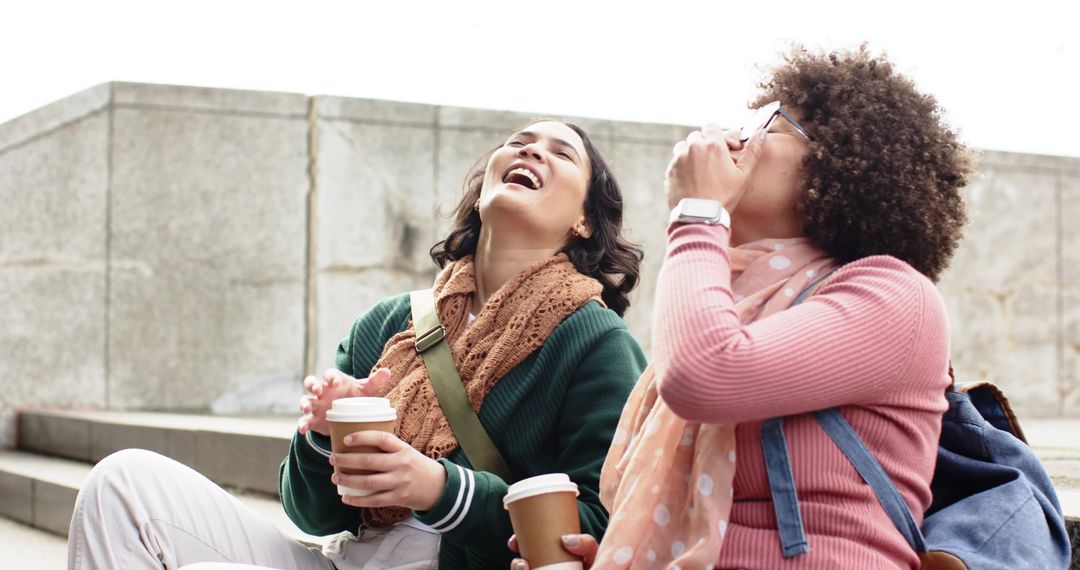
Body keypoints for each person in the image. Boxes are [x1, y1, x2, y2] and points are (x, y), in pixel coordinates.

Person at [67, 120, 647, 570]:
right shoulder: (391, 323)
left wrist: (441, 490)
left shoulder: (596, 343)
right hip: (348, 558)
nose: (530, 151)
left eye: (560, 151)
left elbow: (599, 525)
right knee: (123, 483)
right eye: (518, 142)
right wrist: (322, 438)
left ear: (586, 223)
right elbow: (312, 516)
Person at [512, 45, 973, 569]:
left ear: (838, 164)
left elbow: (705, 375)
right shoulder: (723, 292)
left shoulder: (895, 296)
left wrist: (698, 211)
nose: (736, 138)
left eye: (769, 126)